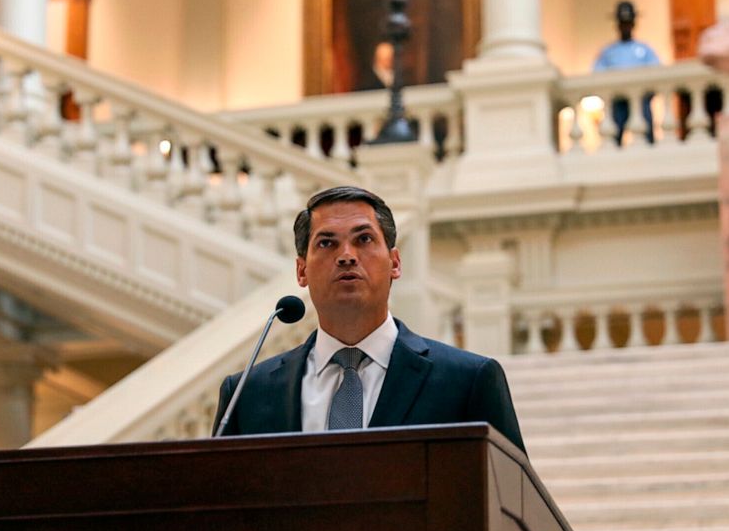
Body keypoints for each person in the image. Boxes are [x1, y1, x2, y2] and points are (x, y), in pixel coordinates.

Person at [212, 186, 526, 453]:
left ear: (395, 263)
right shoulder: (246, 394)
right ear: (301, 271)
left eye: (363, 240)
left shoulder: (466, 382)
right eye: (327, 243)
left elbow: (515, 503)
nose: (346, 255)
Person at [593, 0, 660, 144]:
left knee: (647, 132)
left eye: (628, 23)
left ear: (634, 24)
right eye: (622, 23)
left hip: (641, 99)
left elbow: (656, 72)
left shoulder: (645, 50)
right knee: (614, 137)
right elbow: (597, 73)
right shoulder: (608, 52)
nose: (625, 27)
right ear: (617, 25)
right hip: (618, 100)